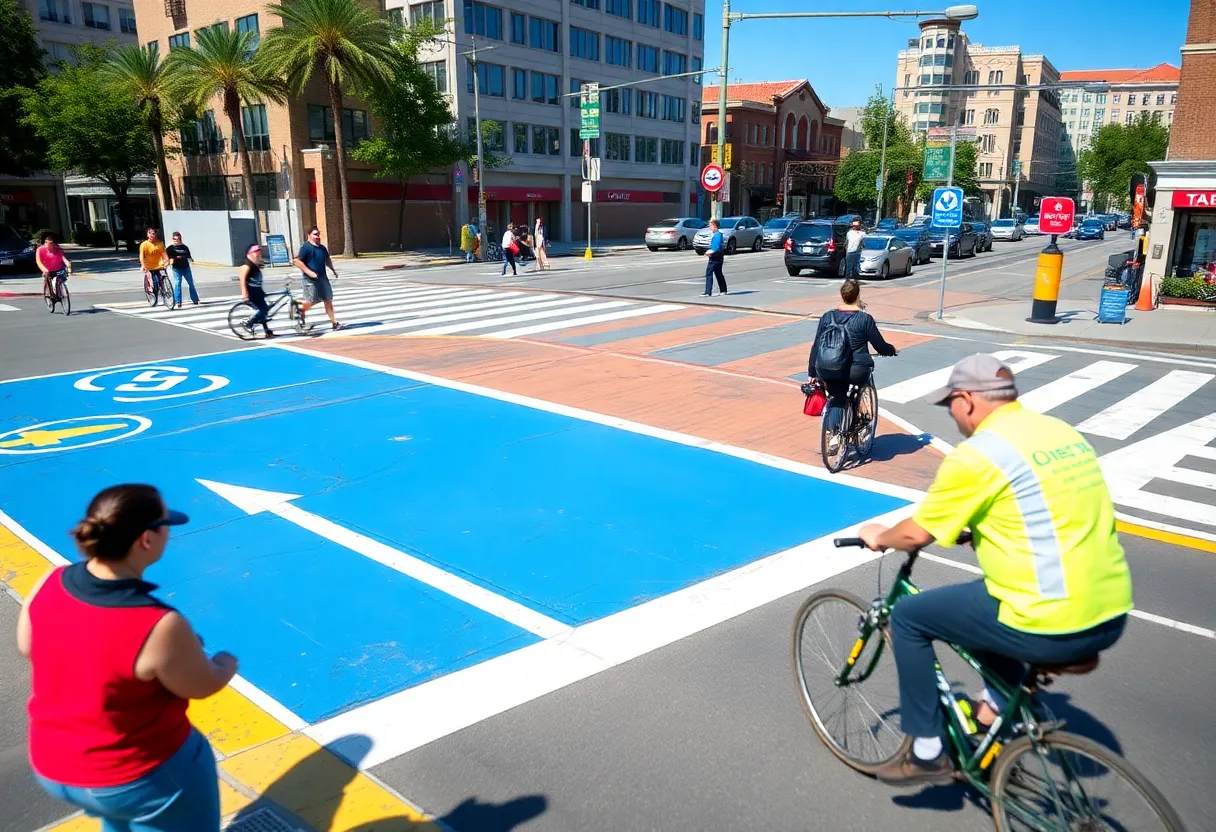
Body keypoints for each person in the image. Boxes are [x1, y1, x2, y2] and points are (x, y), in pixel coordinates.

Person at [856, 354, 1133, 786]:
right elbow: (1054, 509)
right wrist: (986, 528)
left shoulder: (979, 454)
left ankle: (926, 752)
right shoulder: (1060, 432)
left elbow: (915, 534)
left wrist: (880, 535)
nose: (951, 414)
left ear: (967, 399)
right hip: (1111, 611)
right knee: (978, 607)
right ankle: (998, 711)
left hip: (1050, 619)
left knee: (909, 616)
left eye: (950, 403)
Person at [19, 484, 238, 831]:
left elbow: (27, 645)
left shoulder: (51, 579)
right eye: (165, 526)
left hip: (54, 766)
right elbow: (201, 685)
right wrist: (225, 663)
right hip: (134, 778)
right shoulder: (158, 624)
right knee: (191, 758)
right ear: (146, 540)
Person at [807, 279, 895, 450]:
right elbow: (879, 345)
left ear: (841, 295)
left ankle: (834, 435)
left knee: (837, 396)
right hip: (857, 369)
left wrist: (812, 372)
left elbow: (816, 346)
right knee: (860, 385)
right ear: (858, 296)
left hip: (828, 368)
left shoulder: (827, 317)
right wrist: (891, 350)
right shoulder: (864, 319)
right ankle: (857, 424)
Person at [293, 226, 341, 331]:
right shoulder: (306, 247)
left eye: (318, 234)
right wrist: (309, 272)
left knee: (328, 299)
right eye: (315, 234)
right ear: (309, 235)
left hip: (323, 278)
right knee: (311, 301)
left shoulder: (322, 248)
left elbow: (327, 259)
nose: (317, 236)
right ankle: (300, 311)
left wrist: (333, 270)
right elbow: (297, 261)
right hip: (309, 280)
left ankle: (334, 323)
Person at [239, 243, 274, 338]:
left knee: (264, 310)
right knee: (263, 310)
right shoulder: (247, 265)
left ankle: (267, 331)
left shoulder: (254, 264)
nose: (258, 255)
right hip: (252, 292)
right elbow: (242, 278)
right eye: (256, 253)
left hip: (258, 291)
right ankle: (249, 323)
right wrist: (244, 293)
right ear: (250, 254)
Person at [164, 232, 199, 309]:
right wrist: (169, 262)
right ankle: (178, 301)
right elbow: (168, 258)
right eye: (174, 239)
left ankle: (195, 299)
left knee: (191, 283)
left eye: (178, 239)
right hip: (176, 268)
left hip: (186, 267)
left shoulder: (184, 247)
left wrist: (191, 261)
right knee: (177, 283)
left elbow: (189, 257)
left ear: (180, 239)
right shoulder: (170, 248)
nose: (176, 240)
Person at [701, 219, 727, 297]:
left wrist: (709, 253)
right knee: (718, 273)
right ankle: (723, 290)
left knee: (709, 273)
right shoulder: (719, 234)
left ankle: (708, 292)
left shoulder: (717, 235)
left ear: (715, 226)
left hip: (715, 256)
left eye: (711, 226)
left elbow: (715, 247)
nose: (710, 227)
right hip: (719, 256)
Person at [139, 227, 169, 293]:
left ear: (155, 234)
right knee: (153, 283)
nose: (151, 235)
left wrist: (167, 261)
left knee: (162, 277)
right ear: (147, 235)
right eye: (149, 233)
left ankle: (163, 289)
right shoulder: (144, 244)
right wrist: (143, 265)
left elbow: (164, 255)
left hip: (159, 266)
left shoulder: (159, 244)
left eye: (153, 233)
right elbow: (141, 256)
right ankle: (152, 291)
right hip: (149, 267)